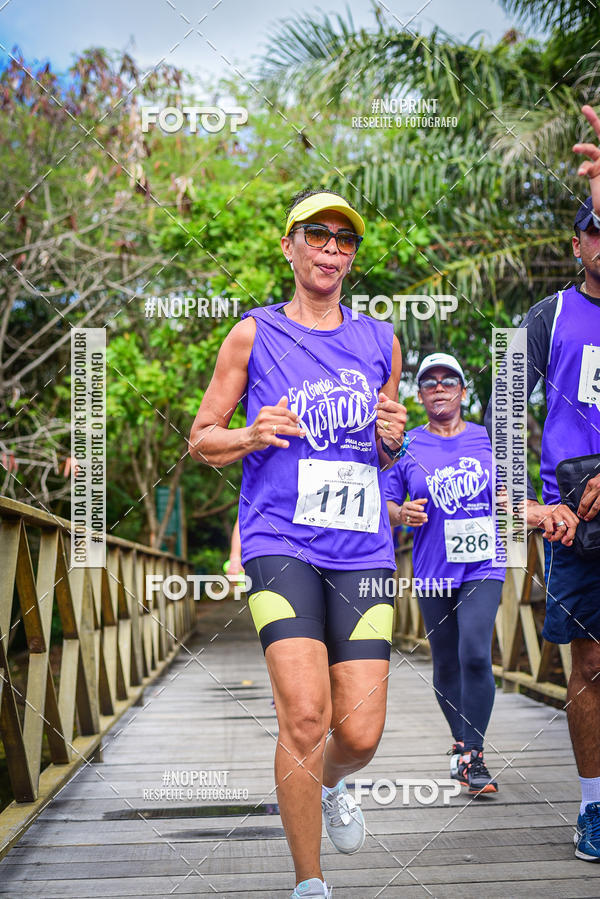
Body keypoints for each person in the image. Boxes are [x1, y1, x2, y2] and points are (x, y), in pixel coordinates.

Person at [188, 188, 408, 899]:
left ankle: (336, 781)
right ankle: (309, 881)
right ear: (290, 246)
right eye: (318, 235)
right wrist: (251, 433)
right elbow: (201, 438)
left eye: (345, 241)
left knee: (362, 730)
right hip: (280, 542)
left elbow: (380, 458)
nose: (331, 250)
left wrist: (389, 441)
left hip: (363, 551)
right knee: (305, 714)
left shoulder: (381, 341)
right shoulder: (253, 334)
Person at [484, 104, 600, 860]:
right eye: (595, 228)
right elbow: (500, 407)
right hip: (575, 520)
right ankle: (594, 806)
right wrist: (523, 500)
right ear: (578, 241)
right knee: (588, 663)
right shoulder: (549, 314)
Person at [385, 353, 505, 795]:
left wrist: (515, 506)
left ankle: (473, 753)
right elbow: (386, 505)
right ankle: (461, 744)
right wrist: (403, 513)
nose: (439, 386)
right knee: (447, 659)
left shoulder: (489, 438)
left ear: (462, 390)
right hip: (432, 567)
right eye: (429, 381)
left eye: (448, 379)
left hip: (484, 562)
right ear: (420, 395)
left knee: (475, 652)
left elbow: (516, 493)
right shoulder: (407, 446)